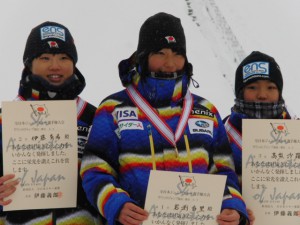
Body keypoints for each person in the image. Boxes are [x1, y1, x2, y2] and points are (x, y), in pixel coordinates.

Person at [80, 12, 248, 225]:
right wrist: (115, 204)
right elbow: (94, 168)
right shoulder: (113, 109)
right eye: (160, 52)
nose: (170, 63)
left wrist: (231, 206)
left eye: (177, 53)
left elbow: (223, 171)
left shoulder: (205, 111)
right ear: (144, 56)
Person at [0, 21, 102, 224]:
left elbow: (112, 177)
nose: (55, 66)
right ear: (29, 64)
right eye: (45, 57)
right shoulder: (5, 119)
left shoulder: (95, 118)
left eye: (64, 58)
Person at [223, 51, 293, 225]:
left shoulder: (295, 136)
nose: (262, 95)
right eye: (252, 87)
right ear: (240, 92)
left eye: (271, 87)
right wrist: (230, 207)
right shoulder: (221, 132)